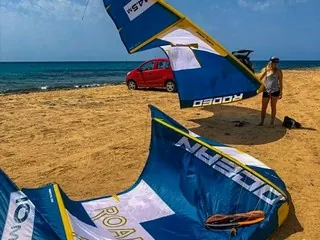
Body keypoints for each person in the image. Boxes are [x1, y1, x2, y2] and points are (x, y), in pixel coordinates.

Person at [257, 56, 283, 127]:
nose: (276, 63)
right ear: (271, 62)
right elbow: (260, 79)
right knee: (263, 107)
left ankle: (272, 123)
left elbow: (280, 82)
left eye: (277, 62)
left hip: (275, 91)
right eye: (275, 62)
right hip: (266, 91)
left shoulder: (279, 71)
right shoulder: (266, 69)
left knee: (273, 107)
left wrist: (281, 92)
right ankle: (262, 122)